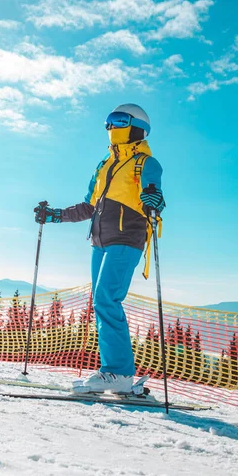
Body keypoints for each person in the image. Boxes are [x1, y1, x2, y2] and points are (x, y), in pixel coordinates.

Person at [34, 103, 164, 394]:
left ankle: (118, 373)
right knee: (101, 302)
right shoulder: (104, 165)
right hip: (99, 242)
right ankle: (115, 373)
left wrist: (154, 201)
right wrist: (53, 215)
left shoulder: (145, 162)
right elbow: (88, 206)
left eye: (119, 120)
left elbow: (153, 191)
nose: (111, 126)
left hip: (127, 238)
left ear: (137, 127)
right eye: (108, 121)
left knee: (107, 299)